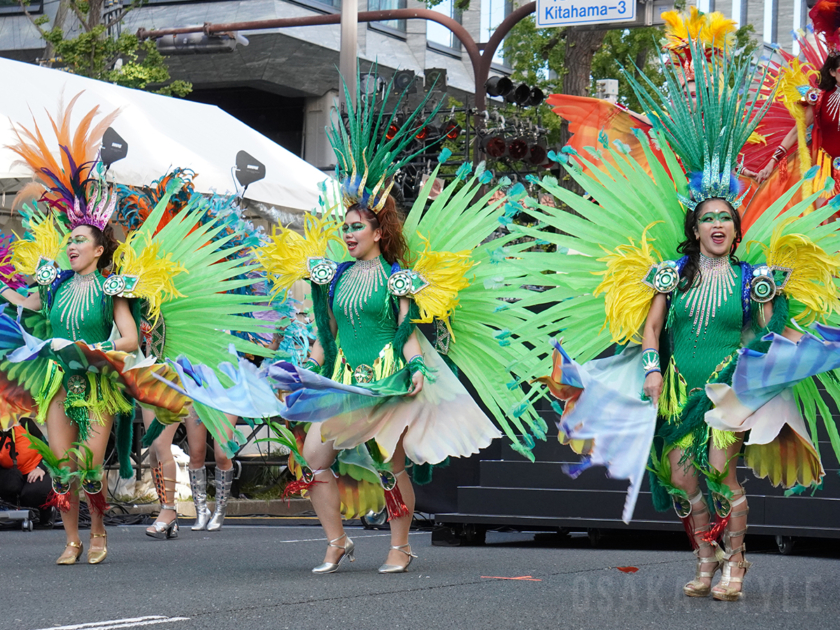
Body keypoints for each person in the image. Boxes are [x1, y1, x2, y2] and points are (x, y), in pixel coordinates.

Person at [532, 29, 840, 604]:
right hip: (676, 386)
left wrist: (773, 316)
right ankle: (706, 556)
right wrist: (651, 369)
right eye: (708, 218)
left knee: (721, 471)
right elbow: (652, 330)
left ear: (736, 227)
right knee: (681, 476)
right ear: (694, 227)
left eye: (726, 217)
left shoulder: (756, 277)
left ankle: (737, 567)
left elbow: (767, 337)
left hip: (730, 389)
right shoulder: (669, 274)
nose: (718, 226)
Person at [0, 422, 53, 527]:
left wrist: (41, 468)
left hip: (36, 471)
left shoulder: (24, 423)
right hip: (12, 474)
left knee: (33, 493)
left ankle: (45, 513)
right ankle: (13, 509)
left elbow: (48, 448)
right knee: (10, 483)